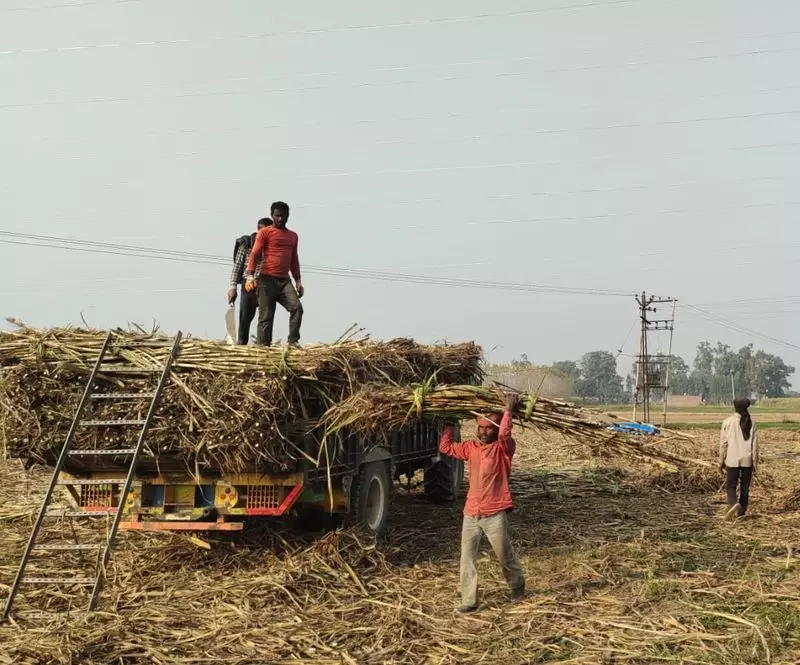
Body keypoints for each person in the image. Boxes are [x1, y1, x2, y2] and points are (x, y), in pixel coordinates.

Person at [439, 393, 525, 614]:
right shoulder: (470, 448)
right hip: (471, 513)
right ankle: (469, 600)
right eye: (480, 427)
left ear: (496, 429)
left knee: (504, 554)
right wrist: (450, 420)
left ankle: (517, 586)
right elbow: (446, 448)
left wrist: (508, 410)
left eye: (488, 428)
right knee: (466, 558)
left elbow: (506, 434)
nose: (483, 431)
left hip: (494, 513)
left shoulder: (503, 449)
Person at [244, 201, 304, 347]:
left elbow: (293, 258)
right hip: (266, 279)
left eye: (283, 216)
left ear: (288, 216)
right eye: (277, 216)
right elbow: (255, 253)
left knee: (297, 308)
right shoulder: (265, 233)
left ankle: (292, 341)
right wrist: (250, 275)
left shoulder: (293, 236)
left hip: (284, 281)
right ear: (272, 215)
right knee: (266, 317)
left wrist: (298, 280)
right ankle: (263, 347)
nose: (280, 219)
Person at [227, 217, 271, 345]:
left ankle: (262, 345)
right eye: (261, 230)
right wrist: (232, 287)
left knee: (265, 318)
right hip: (248, 285)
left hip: (265, 285)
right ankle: (241, 343)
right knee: (245, 317)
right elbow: (237, 268)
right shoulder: (246, 245)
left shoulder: (273, 247)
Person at [719, 397, 759, 519]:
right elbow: (755, 446)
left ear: (735, 407)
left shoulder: (727, 422)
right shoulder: (752, 423)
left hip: (732, 459)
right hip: (747, 460)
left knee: (731, 485)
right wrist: (755, 464)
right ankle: (741, 512)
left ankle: (732, 503)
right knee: (745, 486)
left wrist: (721, 461)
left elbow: (723, 444)